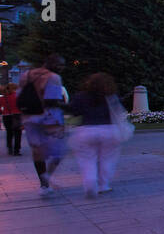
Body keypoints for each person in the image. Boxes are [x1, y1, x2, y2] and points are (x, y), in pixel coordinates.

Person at [68, 72, 127, 198]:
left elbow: (73, 111)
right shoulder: (111, 96)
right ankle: (103, 185)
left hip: (87, 130)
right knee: (108, 159)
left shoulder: (81, 96)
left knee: (88, 160)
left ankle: (90, 184)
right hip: (109, 130)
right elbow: (120, 112)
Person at [20, 54, 69, 193]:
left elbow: (21, 95)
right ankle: (48, 176)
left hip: (29, 117)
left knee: (37, 152)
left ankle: (44, 185)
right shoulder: (54, 77)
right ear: (53, 64)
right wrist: (67, 106)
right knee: (59, 150)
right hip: (49, 118)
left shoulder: (26, 75)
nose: (62, 68)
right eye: (60, 65)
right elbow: (51, 100)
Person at [2, 83, 23, 155]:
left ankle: (10, 148)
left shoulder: (3, 98)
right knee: (17, 133)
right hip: (16, 116)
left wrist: (3, 112)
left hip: (6, 116)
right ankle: (16, 150)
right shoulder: (18, 96)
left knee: (9, 133)